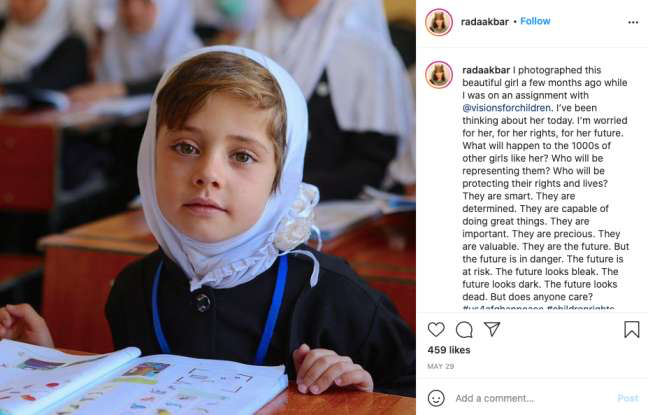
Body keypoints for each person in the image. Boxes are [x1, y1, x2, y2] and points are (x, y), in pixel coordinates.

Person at [0, 46, 415, 397]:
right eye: (186, 147)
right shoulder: (132, 291)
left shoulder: (335, 297)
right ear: (149, 157)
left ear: (282, 177)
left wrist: (364, 396)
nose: (208, 174)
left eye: (242, 156)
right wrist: (45, 363)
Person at [237, 0, 415, 200]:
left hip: (336, 205)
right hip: (252, 195)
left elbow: (372, 167)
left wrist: (284, 188)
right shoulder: (253, 40)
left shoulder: (367, 53)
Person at [67, 0, 201, 102]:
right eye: (125, 2)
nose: (133, 11)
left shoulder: (195, 57)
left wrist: (116, 90)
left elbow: (171, 82)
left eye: (145, 2)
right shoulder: (114, 42)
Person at [0, 0, 89, 93]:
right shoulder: (3, 28)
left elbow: (48, 85)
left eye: (28, 1)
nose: (18, 4)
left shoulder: (72, 48)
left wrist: (6, 89)